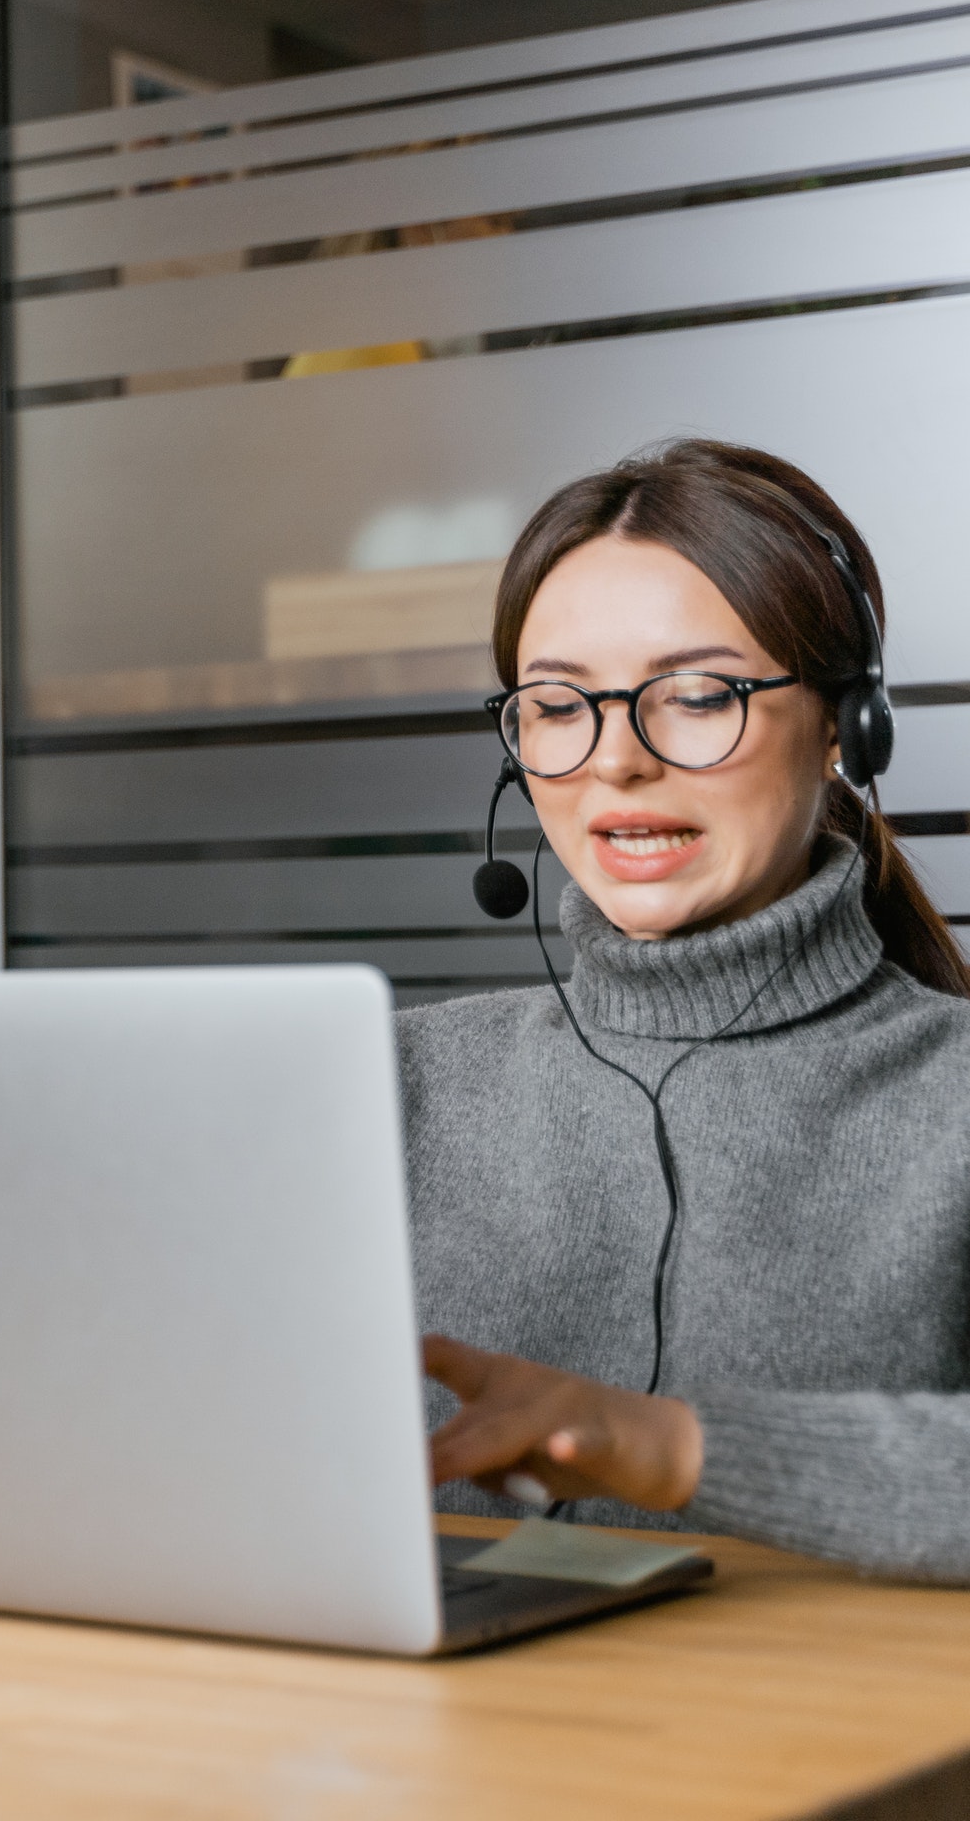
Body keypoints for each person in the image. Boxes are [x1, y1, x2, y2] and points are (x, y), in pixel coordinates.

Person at [410, 439, 970, 1582]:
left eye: (699, 693)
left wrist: (663, 1444)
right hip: (432, 1739)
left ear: (844, 728)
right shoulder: (388, 1082)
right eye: (558, 704)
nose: (616, 760)